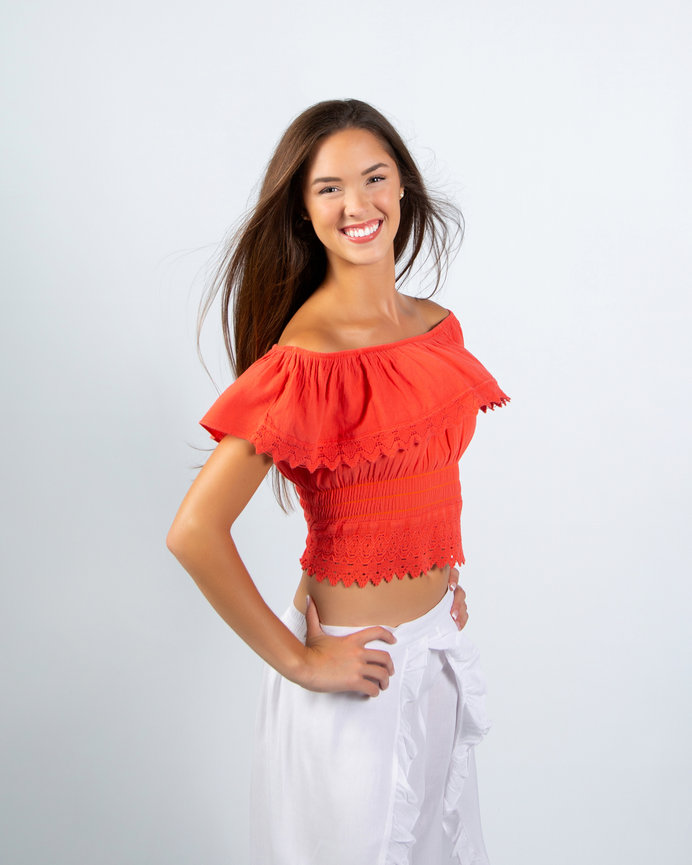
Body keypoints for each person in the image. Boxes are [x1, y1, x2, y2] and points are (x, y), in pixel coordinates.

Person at [167, 98, 510, 865]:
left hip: (437, 655)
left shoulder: (436, 329)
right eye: (329, 188)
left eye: (374, 177)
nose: (357, 204)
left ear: (402, 189)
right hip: (354, 677)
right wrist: (300, 661)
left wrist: (441, 574)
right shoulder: (303, 362)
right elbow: (192, 531)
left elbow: (420, 470)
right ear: (303, 210)